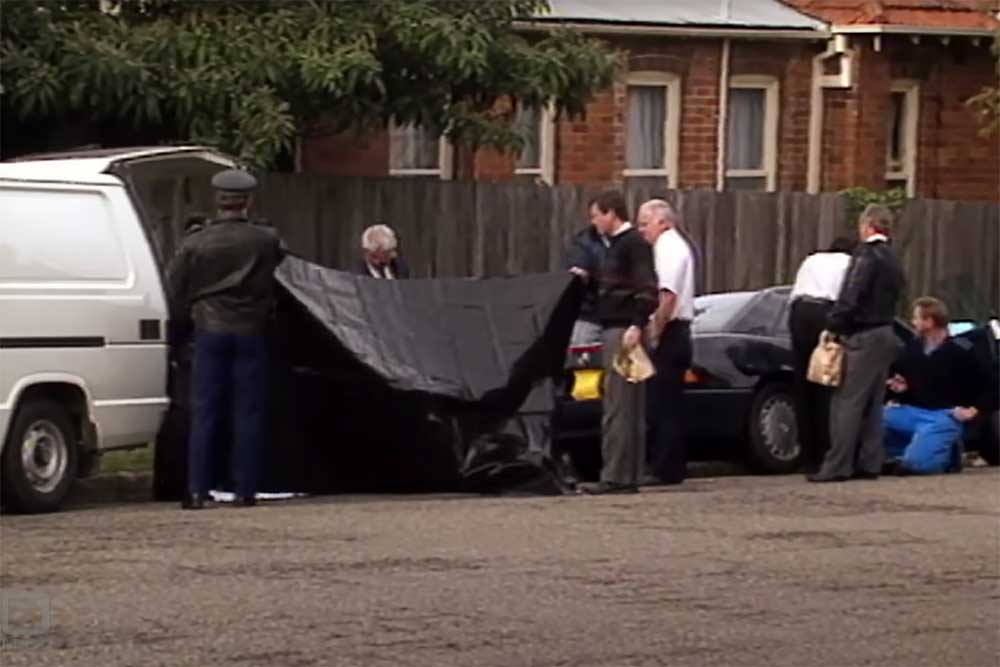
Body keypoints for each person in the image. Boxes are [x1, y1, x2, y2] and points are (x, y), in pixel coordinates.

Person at [167, 169, 285, 509]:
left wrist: (179, 331)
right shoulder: (266, 239)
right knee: (248, 412)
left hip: (209, 328)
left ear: (218, 201)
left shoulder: (194, 242)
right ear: (248, 201)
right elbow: (281, 267)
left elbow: (176, 289)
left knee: (205, 411)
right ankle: (245, 489)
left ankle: (196, 490)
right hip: (252, 330)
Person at [810, 205, 905, 483]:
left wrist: (833, 325)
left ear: (868, 225)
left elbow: (852, 293)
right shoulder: (893, 259)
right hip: (885, 332)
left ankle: (837, 465)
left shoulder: (866, 255)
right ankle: (870, 462)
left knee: (846, 402)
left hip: (862, 334)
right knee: (874, 403)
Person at [578, 191, 658, 495]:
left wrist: (636, 323)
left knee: (619, 403)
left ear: (612, 213)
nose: (594, 221)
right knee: (631, 403)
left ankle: (615, 475)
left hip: (623, 330)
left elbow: (647, 288)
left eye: (597, 214)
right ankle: (630, 473)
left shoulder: (631, 245)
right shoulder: (622, 247)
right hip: (625, 327)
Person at [883, 297, 988, 474]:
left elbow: (989, 385)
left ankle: (946, 455)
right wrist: (899, 389)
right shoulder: (912, 348)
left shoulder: (962, 350)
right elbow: (902, 380)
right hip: (912, 411)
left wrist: (975, 409)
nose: (913, 322)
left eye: (916, 318)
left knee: (914, 465)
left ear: (929, 321)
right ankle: (904, 453)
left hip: (943, 415)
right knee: (874, 419)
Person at [636, 199, 696, 486]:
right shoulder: (671, 246)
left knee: (663, 402)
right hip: (676, 329)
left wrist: (655, 330)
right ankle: (669, 466)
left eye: (645, 223)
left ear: (664, 222)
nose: (641, 230)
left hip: (672, 330)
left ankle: (665, 468)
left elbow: (668, 295)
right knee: (666, 400)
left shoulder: (669, 248)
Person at [788, 237, 855, 475]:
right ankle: (826, 453)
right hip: (825, 312)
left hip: (799, 313)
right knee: (827, 380)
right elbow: (849, 299)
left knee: (804, 382)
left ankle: (808, 457)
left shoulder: (812, 259)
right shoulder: (849, 262)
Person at [564, 216, 607, 346]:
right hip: (589, 315)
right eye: (593, 216)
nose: (594, 221)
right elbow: (578, 273)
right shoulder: (584, 242)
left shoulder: (628, 241)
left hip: (619, 318)